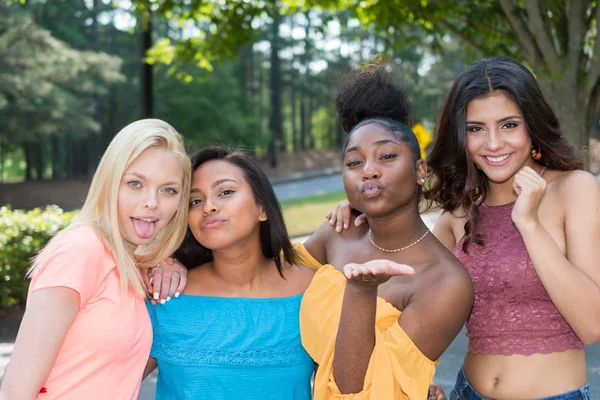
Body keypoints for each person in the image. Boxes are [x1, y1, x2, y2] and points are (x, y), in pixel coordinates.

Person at [330, 56, 600, 400]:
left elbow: (592, 325)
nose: (492, 143)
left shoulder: (574, 189)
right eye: (476, 129)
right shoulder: (459, 212)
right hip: (466, 392)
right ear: (462, 136)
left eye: (508, 125)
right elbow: (398, 284)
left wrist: (529, 224)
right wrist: (363, 208)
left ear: (531, 126)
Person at [295, 63, 474, 400]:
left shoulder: (445, 283)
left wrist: (361, 292)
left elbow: (356, 387)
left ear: (420, 169)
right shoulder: (337, 234)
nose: (369, 171)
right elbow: (263, 278)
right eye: (354, 162)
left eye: (387, 156)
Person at [0, 119, 191, 400]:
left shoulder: (128, 265)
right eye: (135, 183)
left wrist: (166, 261)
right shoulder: (81, 250)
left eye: (168, 190)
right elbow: (16, 390)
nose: (152, 201)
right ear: (109, 182)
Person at [143, 145, 317, 399]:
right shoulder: (166, 295)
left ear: (262, 208)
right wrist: (148, 259)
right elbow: (105, 380)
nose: (208, 207)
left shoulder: (312, 289)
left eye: (225, 192)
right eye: (195, 201)